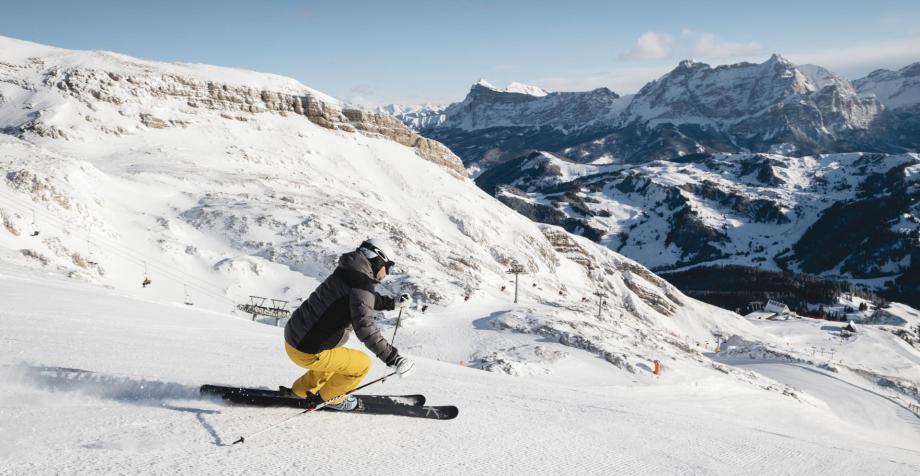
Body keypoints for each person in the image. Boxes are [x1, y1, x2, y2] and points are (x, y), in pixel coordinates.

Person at [282, 239, 416, 410]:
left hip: (294, 337)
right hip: (307, 350)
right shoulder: (361, 283)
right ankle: (333, 400)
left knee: (337, 359)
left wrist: (392, 303)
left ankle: (301, 391)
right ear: (377, 259)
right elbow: (365, 327)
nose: (387, 273)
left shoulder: (348, 270)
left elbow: (361, 299)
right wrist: (393, 358)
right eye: (388, 266)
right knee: (361, 364)